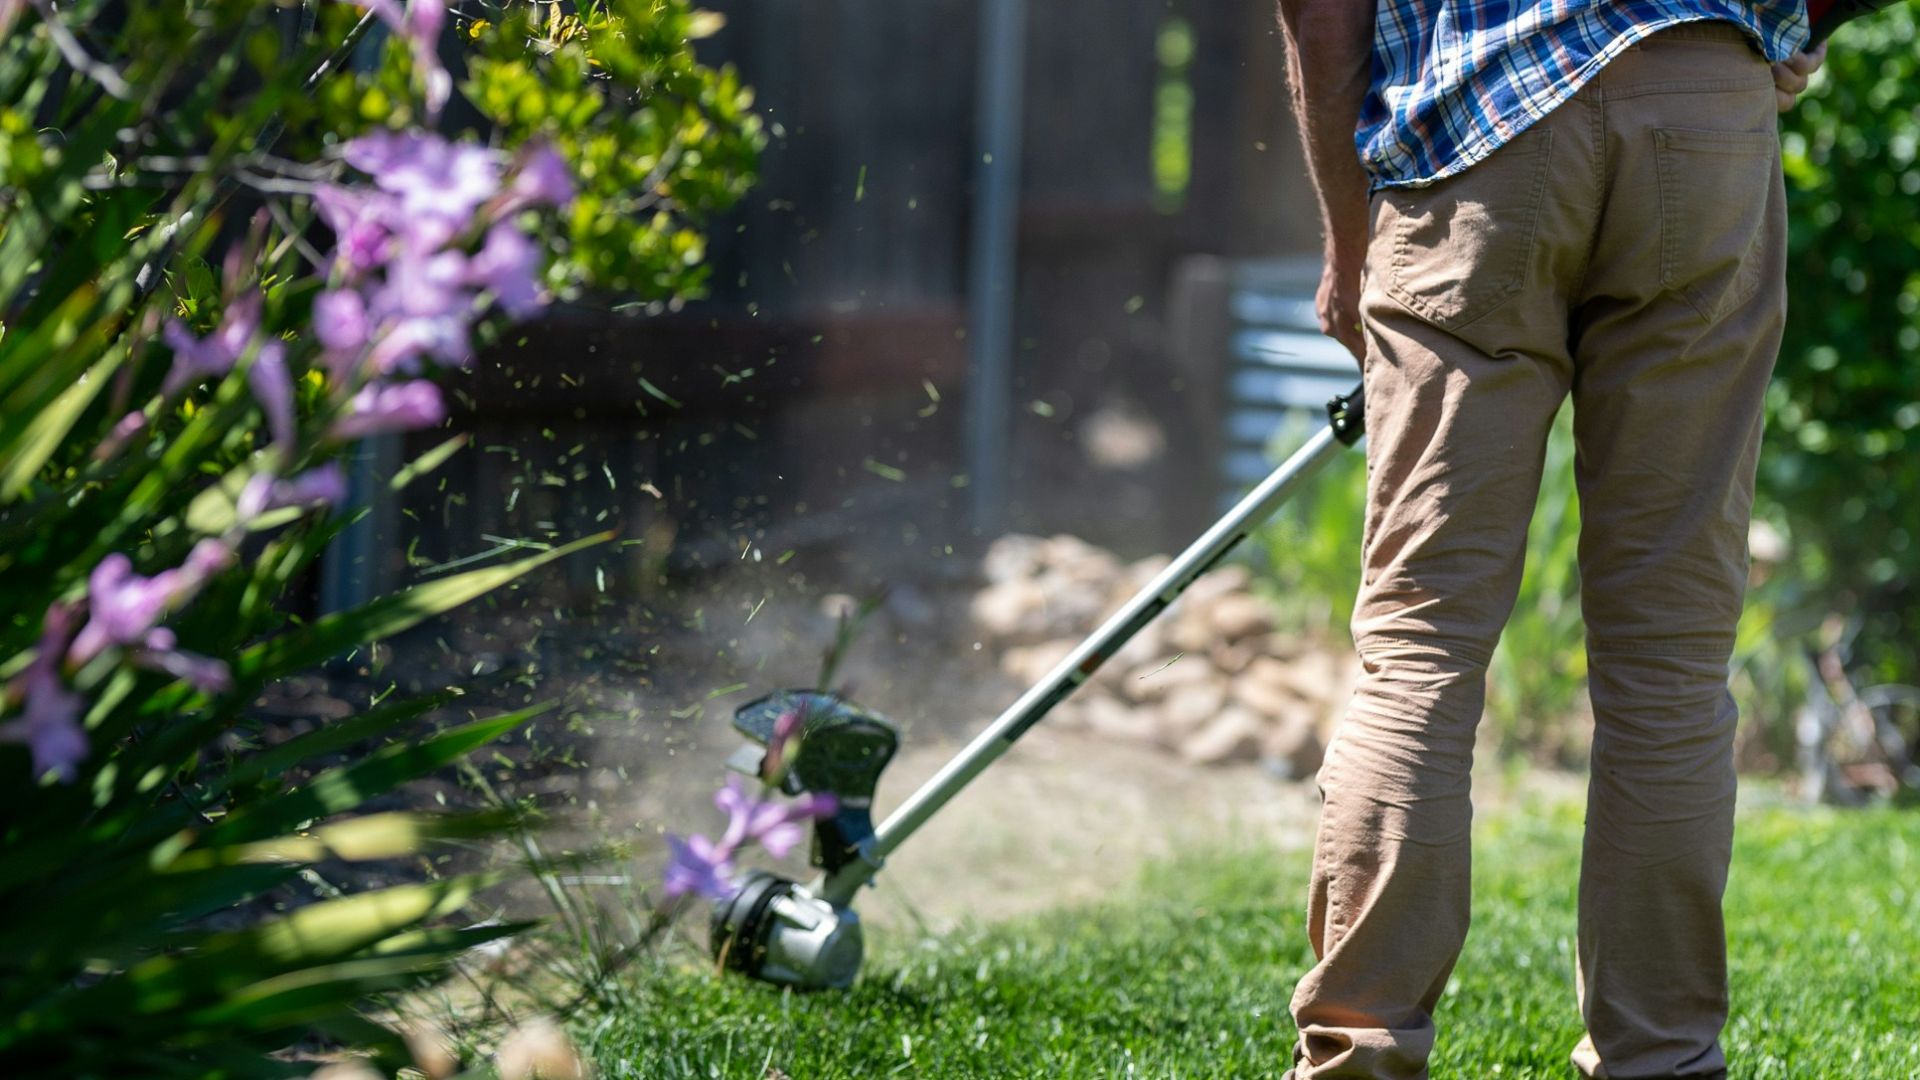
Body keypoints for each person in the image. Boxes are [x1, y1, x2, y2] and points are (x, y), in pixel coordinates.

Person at [1273, 2, 1828, 1077]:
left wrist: (1349, 245)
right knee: (1671, 656)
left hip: (1484, 133)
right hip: (1702, 109)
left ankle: (1361, 1052)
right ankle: (1660, 1059)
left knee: (1422, 644)